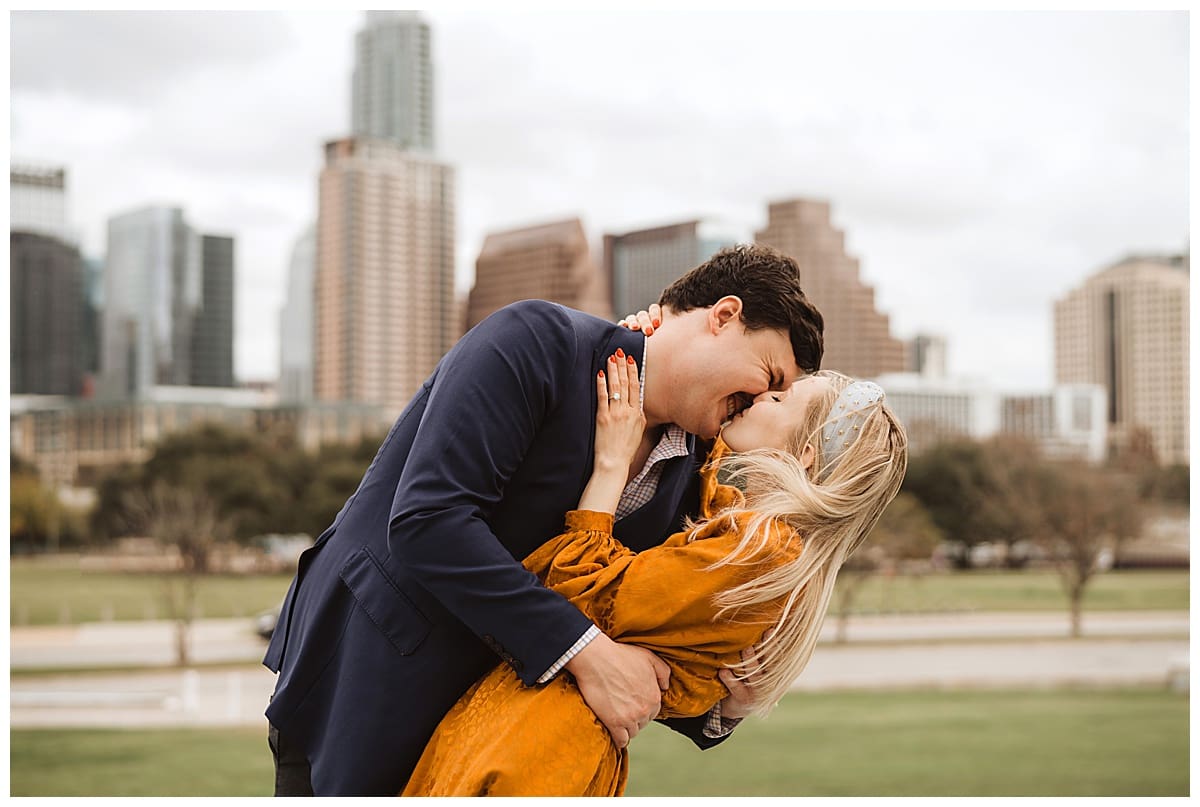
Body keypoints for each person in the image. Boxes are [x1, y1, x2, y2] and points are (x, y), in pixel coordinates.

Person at [262, 244, 826, 795]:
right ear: (724, 317)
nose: (761, 400)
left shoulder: (699, 470)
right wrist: (586, 651)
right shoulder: (535, 341)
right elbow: (429, 520)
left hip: (496, 742)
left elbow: (641, 633)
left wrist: (729, 704)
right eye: (770, 376)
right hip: (367, 684)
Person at [402, 356, 908, 796]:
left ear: (806, 456)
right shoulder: (759, 538)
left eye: (781, 399)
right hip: (539, 729)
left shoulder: (761, 550)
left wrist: (611, 466)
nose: (762, 395)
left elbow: (578, 594)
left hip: (537, 741)